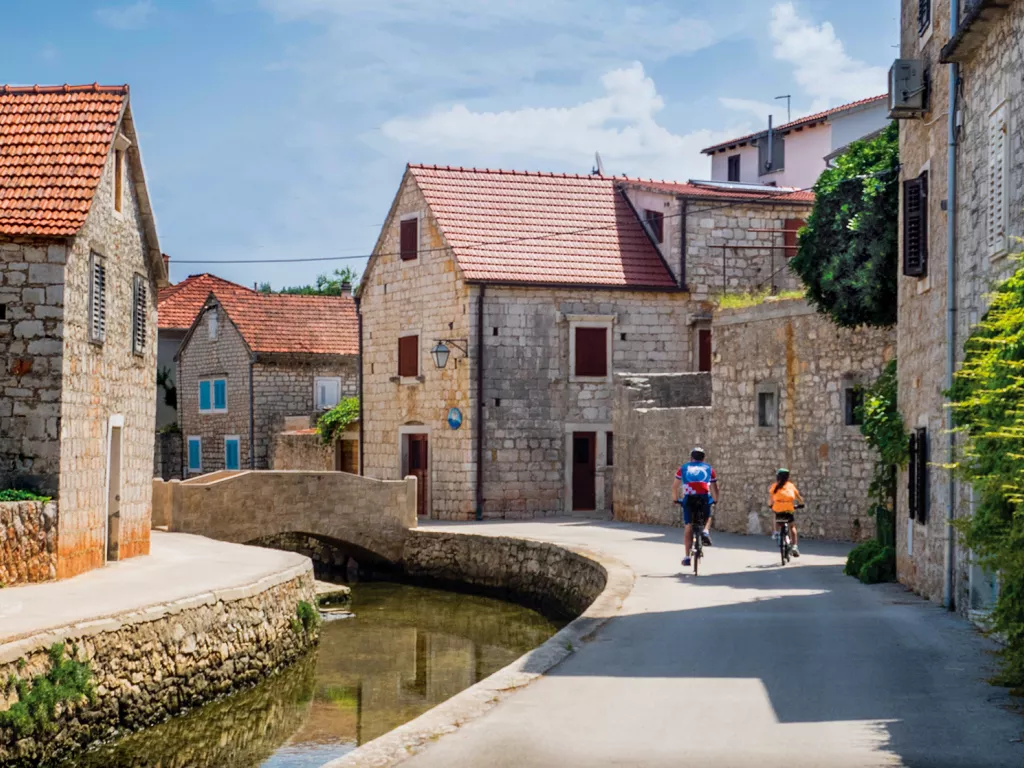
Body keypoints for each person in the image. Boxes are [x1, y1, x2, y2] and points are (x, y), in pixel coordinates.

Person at [672, 447, 719, 567]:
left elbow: (675, 487)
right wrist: (715, 500)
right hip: (703, 496)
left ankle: (687, 557)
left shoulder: (683, 468)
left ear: (691, 458)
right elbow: (714, 488)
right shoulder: (709, 468)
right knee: (708, 515)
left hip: (689, 497)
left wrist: (675, 499)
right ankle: (705, 531)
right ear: (703, 458)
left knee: (688, 527)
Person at [769, 468, 804, 557]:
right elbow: (798, 497)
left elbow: (771, 500)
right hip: (789, 509)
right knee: (792, 526)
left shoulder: (774, 486)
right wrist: (801, 504)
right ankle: (795, 547)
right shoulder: (791, 486)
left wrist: (770, 505)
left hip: (779, 509)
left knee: (776, 515)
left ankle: (776, 533)